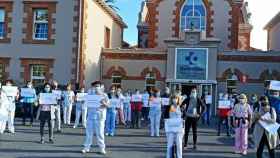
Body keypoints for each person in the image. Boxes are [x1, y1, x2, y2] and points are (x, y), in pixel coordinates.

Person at [82, 81, 109, 155]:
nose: (96, 88)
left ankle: (102, 148)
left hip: (100, 117)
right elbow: (85, 103)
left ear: (101, 87)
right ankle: (86, 147)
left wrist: (104, 103)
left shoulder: (104, 95)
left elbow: (108, 105)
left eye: (97, 86)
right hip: (90, 116)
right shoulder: (90, 95)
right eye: (95, 86)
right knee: (89, 133)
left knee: (100, 133)